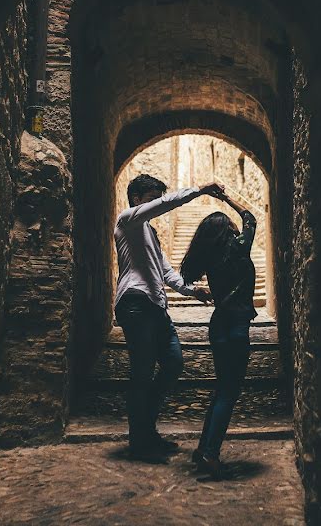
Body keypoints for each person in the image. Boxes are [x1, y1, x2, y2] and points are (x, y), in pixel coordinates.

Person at [114, 174, 224, 460]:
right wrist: (199, 191)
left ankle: (145, 430)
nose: (156, 204)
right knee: (142, 372)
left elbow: (166, 272)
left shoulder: (149, 233)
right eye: (151, 198)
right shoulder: (126, 220)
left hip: (155, 306)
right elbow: (165, 204)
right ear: (137, 199)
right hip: (135, 303)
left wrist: (193, 291)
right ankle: (141, 440)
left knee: (174, 363)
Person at [179, 190, 257, 479]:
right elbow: (250, 218)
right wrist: (227, 200)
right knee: (229, 391)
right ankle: (211, 454)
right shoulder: (238, 249)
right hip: (236, 326)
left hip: (218, 325)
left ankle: (203, 449)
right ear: (228, 231)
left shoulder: (210, 258)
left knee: (221, 388)